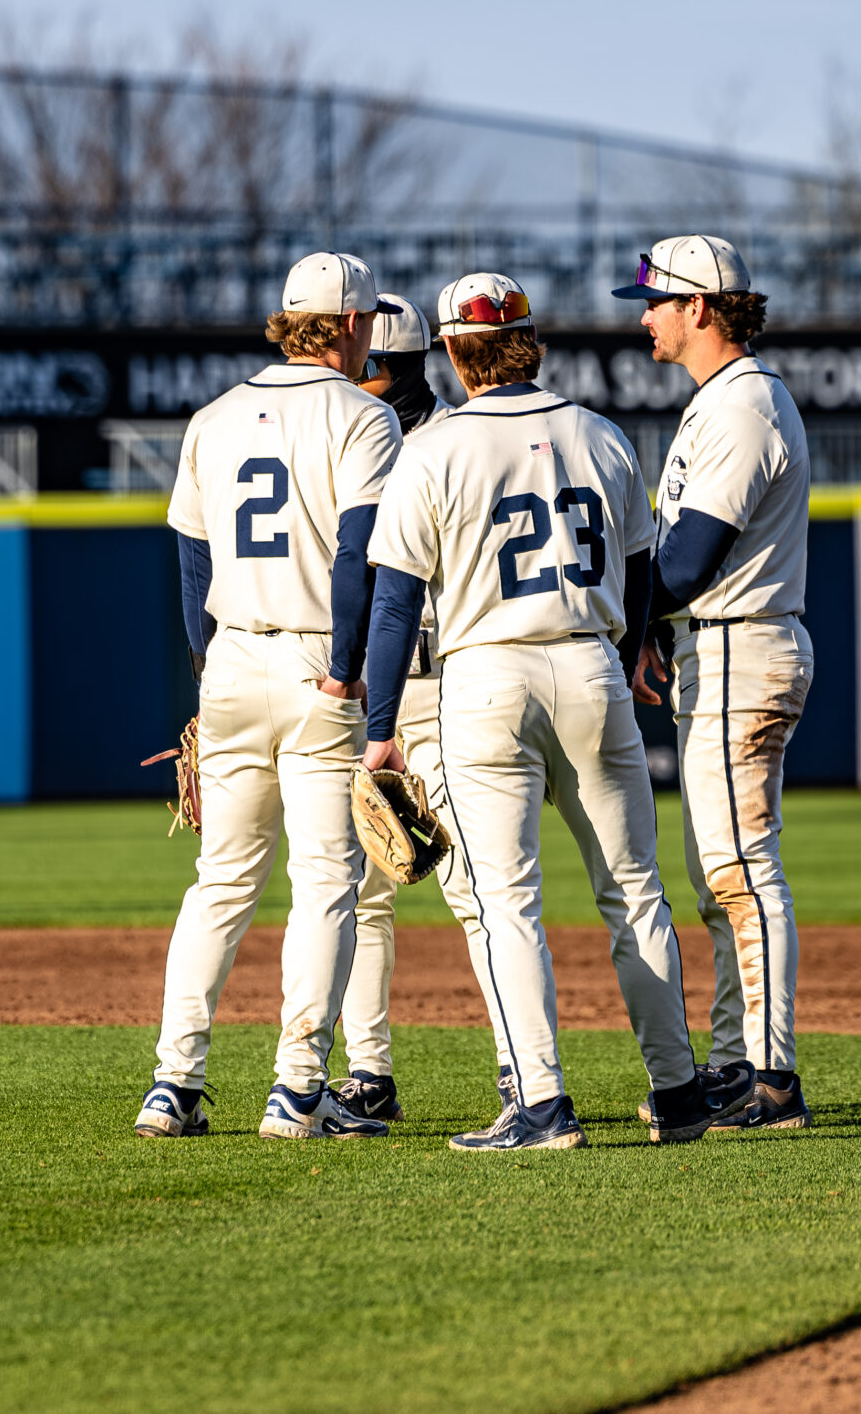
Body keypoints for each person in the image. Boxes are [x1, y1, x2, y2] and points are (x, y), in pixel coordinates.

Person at [361, 271, 711, 1152]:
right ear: (534, 342)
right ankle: (678, 1091)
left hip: (484, 680)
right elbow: (637, 569)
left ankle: (544, 1105)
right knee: (634, 891)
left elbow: (397, 603)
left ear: (450, 352)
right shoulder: (599, 434)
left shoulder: (432, 451)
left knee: (506, 900)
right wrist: (634, 655)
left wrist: (377, 734)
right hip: (591, 667)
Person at [136, 251, 402, 1142]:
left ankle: (174, 1084)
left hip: (232, 667)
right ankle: (296, 1090)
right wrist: (347, 668)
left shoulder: (210, 418)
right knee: (326, 880)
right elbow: (361, 553)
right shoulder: (363, 416)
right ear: (355, 324)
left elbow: (191, 564)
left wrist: (209, 670)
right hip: (315, 666)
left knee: (222, 882)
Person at [616, 235, 815, 1132]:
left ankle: (772, 1079)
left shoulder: (745, 406)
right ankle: (740, 1063)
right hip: (717, 643)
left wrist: (628, 613)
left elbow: (691, 558)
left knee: (741, 871)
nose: (644, 315)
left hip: (743, 642)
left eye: (655, 301)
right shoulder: (720, 402)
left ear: (700, 307)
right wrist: (656, 626)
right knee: (718, 874)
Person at [326, 292, 508, 1125]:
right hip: (366, 688)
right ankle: (370, 1076)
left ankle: (518, 1069)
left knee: (473, 885)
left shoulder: (445, 444)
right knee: (362, 888)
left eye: (360, 367)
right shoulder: (345, 438)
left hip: (442, 687)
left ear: (386, 370)